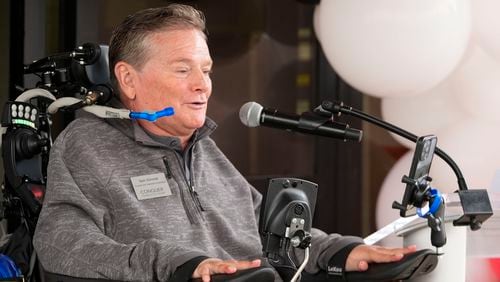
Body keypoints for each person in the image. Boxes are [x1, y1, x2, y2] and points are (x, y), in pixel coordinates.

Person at [33, 4, 415, 282]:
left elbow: (272, 234)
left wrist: (341, 250)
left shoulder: (202, 149)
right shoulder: (87, 143)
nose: (202, 85)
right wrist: (177, 265)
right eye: (183, 70)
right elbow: (61, 242)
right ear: (128, 80)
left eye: (206, 70)